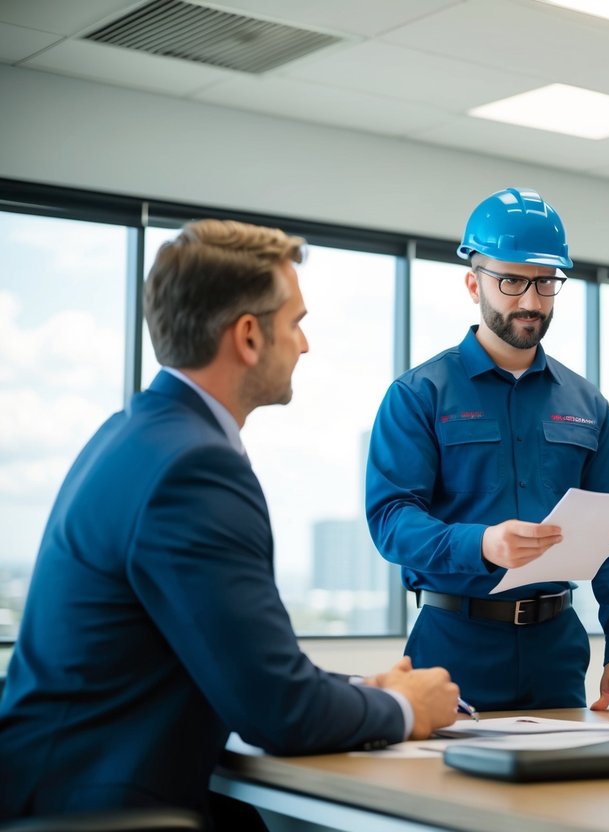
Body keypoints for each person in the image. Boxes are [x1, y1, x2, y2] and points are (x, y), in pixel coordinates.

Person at [0, 220, 460, 824]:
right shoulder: (194, 468)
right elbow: (278, 709)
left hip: (65, 787)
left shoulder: (134, 433)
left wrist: (366, 691)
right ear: (247, 336)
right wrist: (406, 709)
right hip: (91, 809)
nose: (304, 344)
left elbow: (245, 661)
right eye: (294, 322)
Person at [366, 187, 609, 714]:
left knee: (569, 771)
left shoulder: (586, 403)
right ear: (473, 283)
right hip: (453, 644)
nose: (530, 301)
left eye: (545, 282)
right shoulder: (419, 394)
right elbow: (391, 521)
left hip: (557, 647)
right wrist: (482, 543)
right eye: (511, 281)